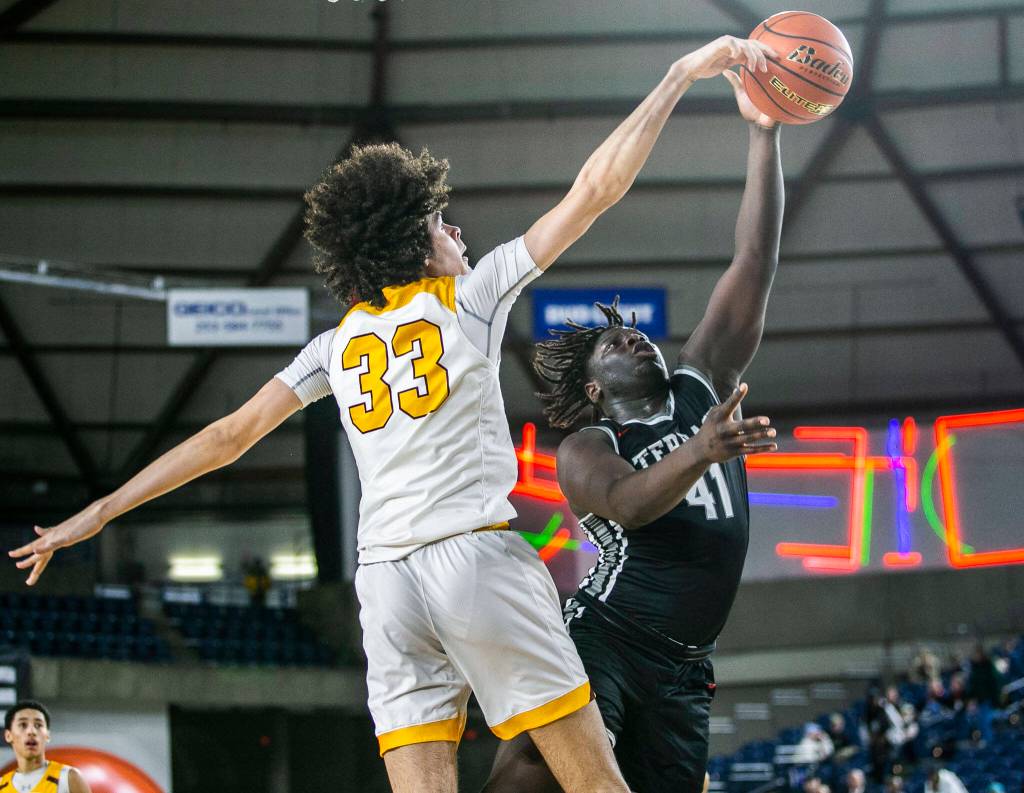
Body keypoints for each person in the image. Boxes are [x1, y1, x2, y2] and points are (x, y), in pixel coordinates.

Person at [7, 33, 775, 793]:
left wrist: (101, 510)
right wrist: (680, 72)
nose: (458, 233)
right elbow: (595, 189)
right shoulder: (469, 298)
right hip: (473, 559)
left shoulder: (334, 346)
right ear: (416, 240)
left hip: (384, 584)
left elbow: (226, 437)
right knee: (597, 783)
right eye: (444, 224)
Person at [482, 60, 783, 793]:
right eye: (612, 344)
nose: (634, 338)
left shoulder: (698, 381)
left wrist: (766, 134)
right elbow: (628, 504)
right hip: (607, 635)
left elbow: (754, 259)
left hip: (687, 666)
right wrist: (705, 448)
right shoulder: (590, 446)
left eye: (637, 334)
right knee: (536, 767)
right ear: (592, 386)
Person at [2, 701, 91, 793]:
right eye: (23, 725)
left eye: (38, 725)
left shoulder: (68, 778)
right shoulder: (2, 785)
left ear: (47, 735)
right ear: (8, 735)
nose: (31, 731)